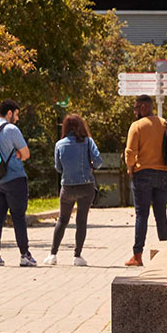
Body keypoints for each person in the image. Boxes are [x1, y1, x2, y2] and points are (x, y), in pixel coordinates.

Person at [0, 100, 36, 267]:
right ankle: (24, 255)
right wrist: (19, 155)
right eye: (16, 114)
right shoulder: (11, 129)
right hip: (14, 178)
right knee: (18, 217)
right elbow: (26, 153)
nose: (17, 118)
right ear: (9, 113)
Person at [47, 113, 100, 267]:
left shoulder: (59, 144)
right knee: (81, 221)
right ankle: (77, 256)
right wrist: (89, 166)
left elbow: (58, 167)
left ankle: (53, 255)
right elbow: (98, 161)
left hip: (67, 187)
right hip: (86, 186)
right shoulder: (88, 142)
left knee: (62, 220)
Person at [123, 95, 167, 266]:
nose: (136, 111)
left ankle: (137, 256)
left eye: (136, 107)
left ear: (143, 107)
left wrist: (130, 166)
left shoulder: (137, 126)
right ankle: (166, 254)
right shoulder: (165, 123)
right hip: (163, 174)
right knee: (161, 215)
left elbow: (130, 152)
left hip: (142, 174)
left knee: (142, 215)